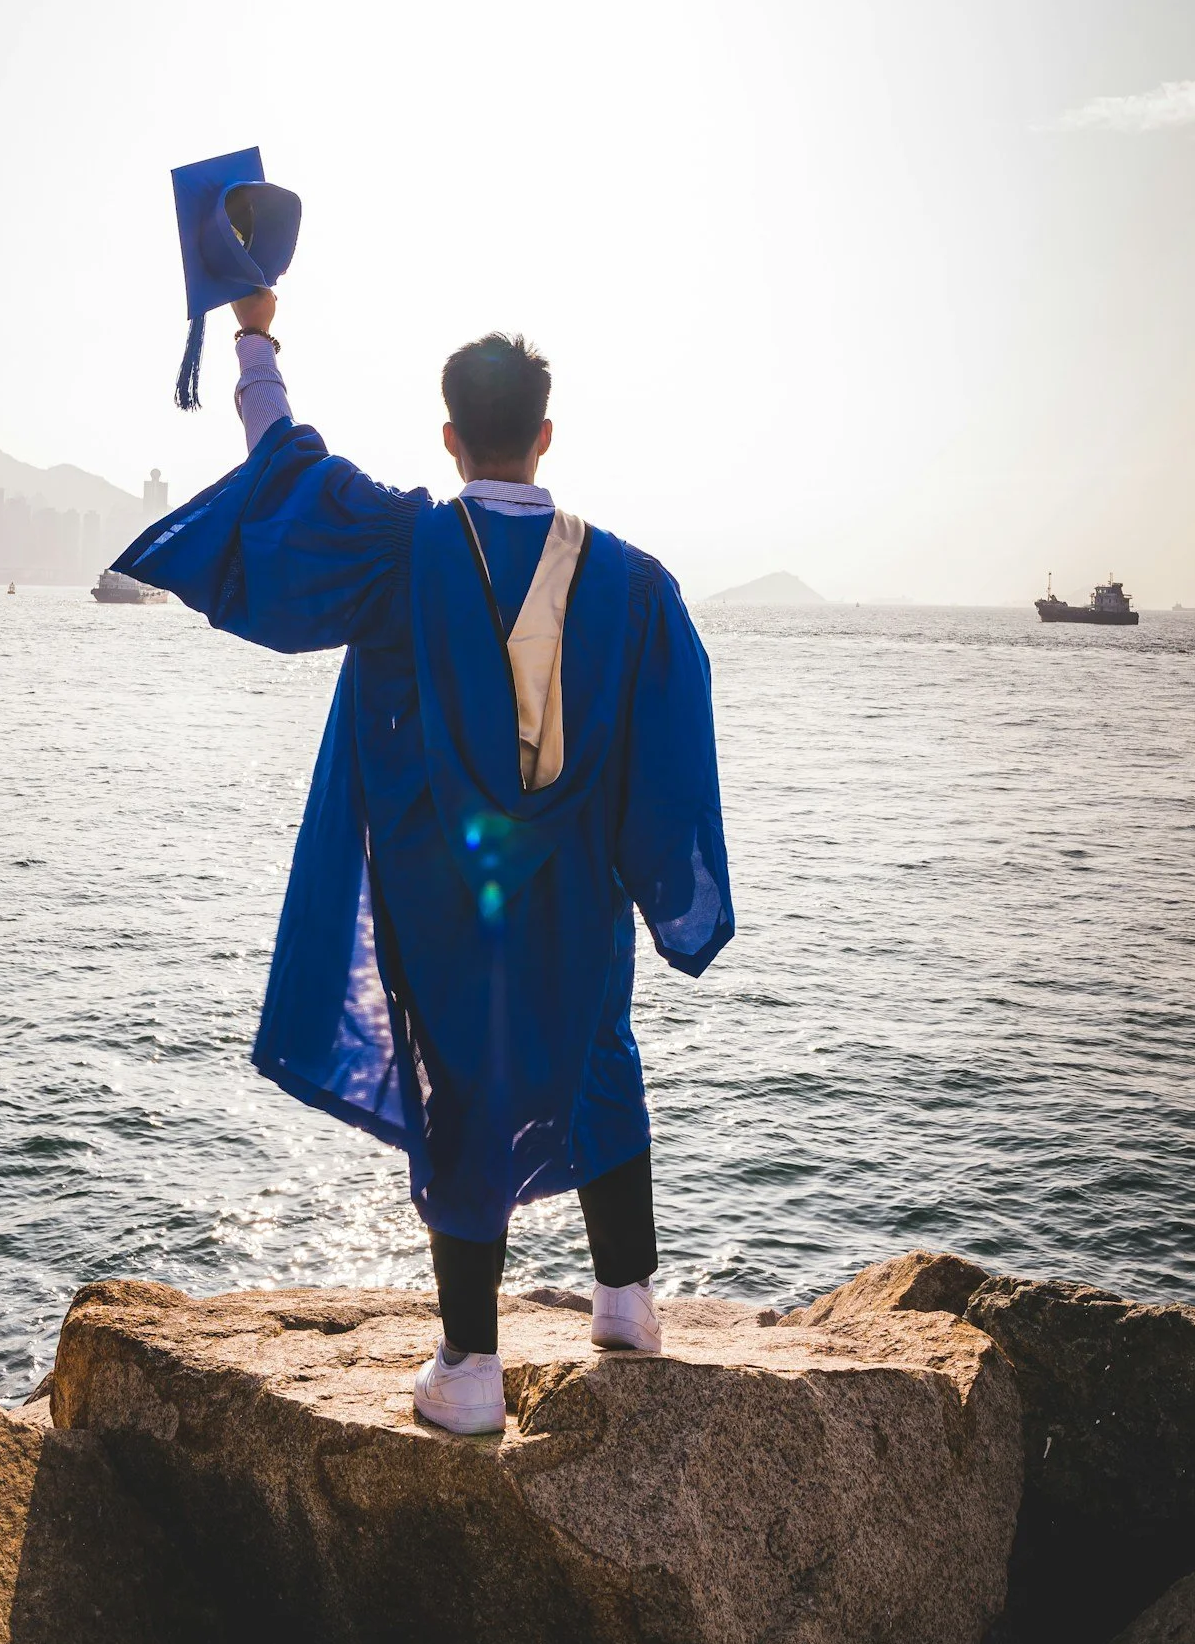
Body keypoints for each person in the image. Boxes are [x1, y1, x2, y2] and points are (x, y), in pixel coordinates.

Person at [115, 293, 734, 1437]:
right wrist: (666, 889)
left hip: (441, 893)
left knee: (462, 1083)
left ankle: (468, 1365)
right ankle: (629, 1303)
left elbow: (283, 470)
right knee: (599, 1052)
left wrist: (255, 332)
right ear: (545, 434)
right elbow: (672, 757)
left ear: (450, 438)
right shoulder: (634, 584)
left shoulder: (404, 548)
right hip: (576, 894)